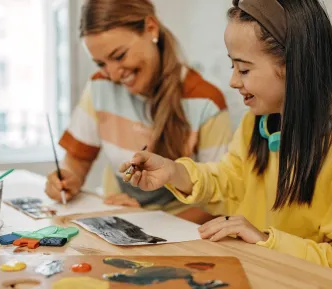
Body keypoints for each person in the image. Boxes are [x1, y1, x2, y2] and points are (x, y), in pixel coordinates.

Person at [119, 0, 332, 283]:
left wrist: (266, 241)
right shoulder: (258, 123)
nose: (233, 80)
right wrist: (174, 172)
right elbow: (231, 183)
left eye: (244, 69)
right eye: (232, 65)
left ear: (292, 65)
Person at [44, 0, 233, 224]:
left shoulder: (205, 101)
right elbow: (76, 162)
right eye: (101, 64)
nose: (113, 74)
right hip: (117, 224)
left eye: (119, 56)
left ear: (151, 29)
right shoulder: (99, 87)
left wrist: (144, 222)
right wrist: (66, 181)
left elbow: (220, 201)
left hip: (179, 234)